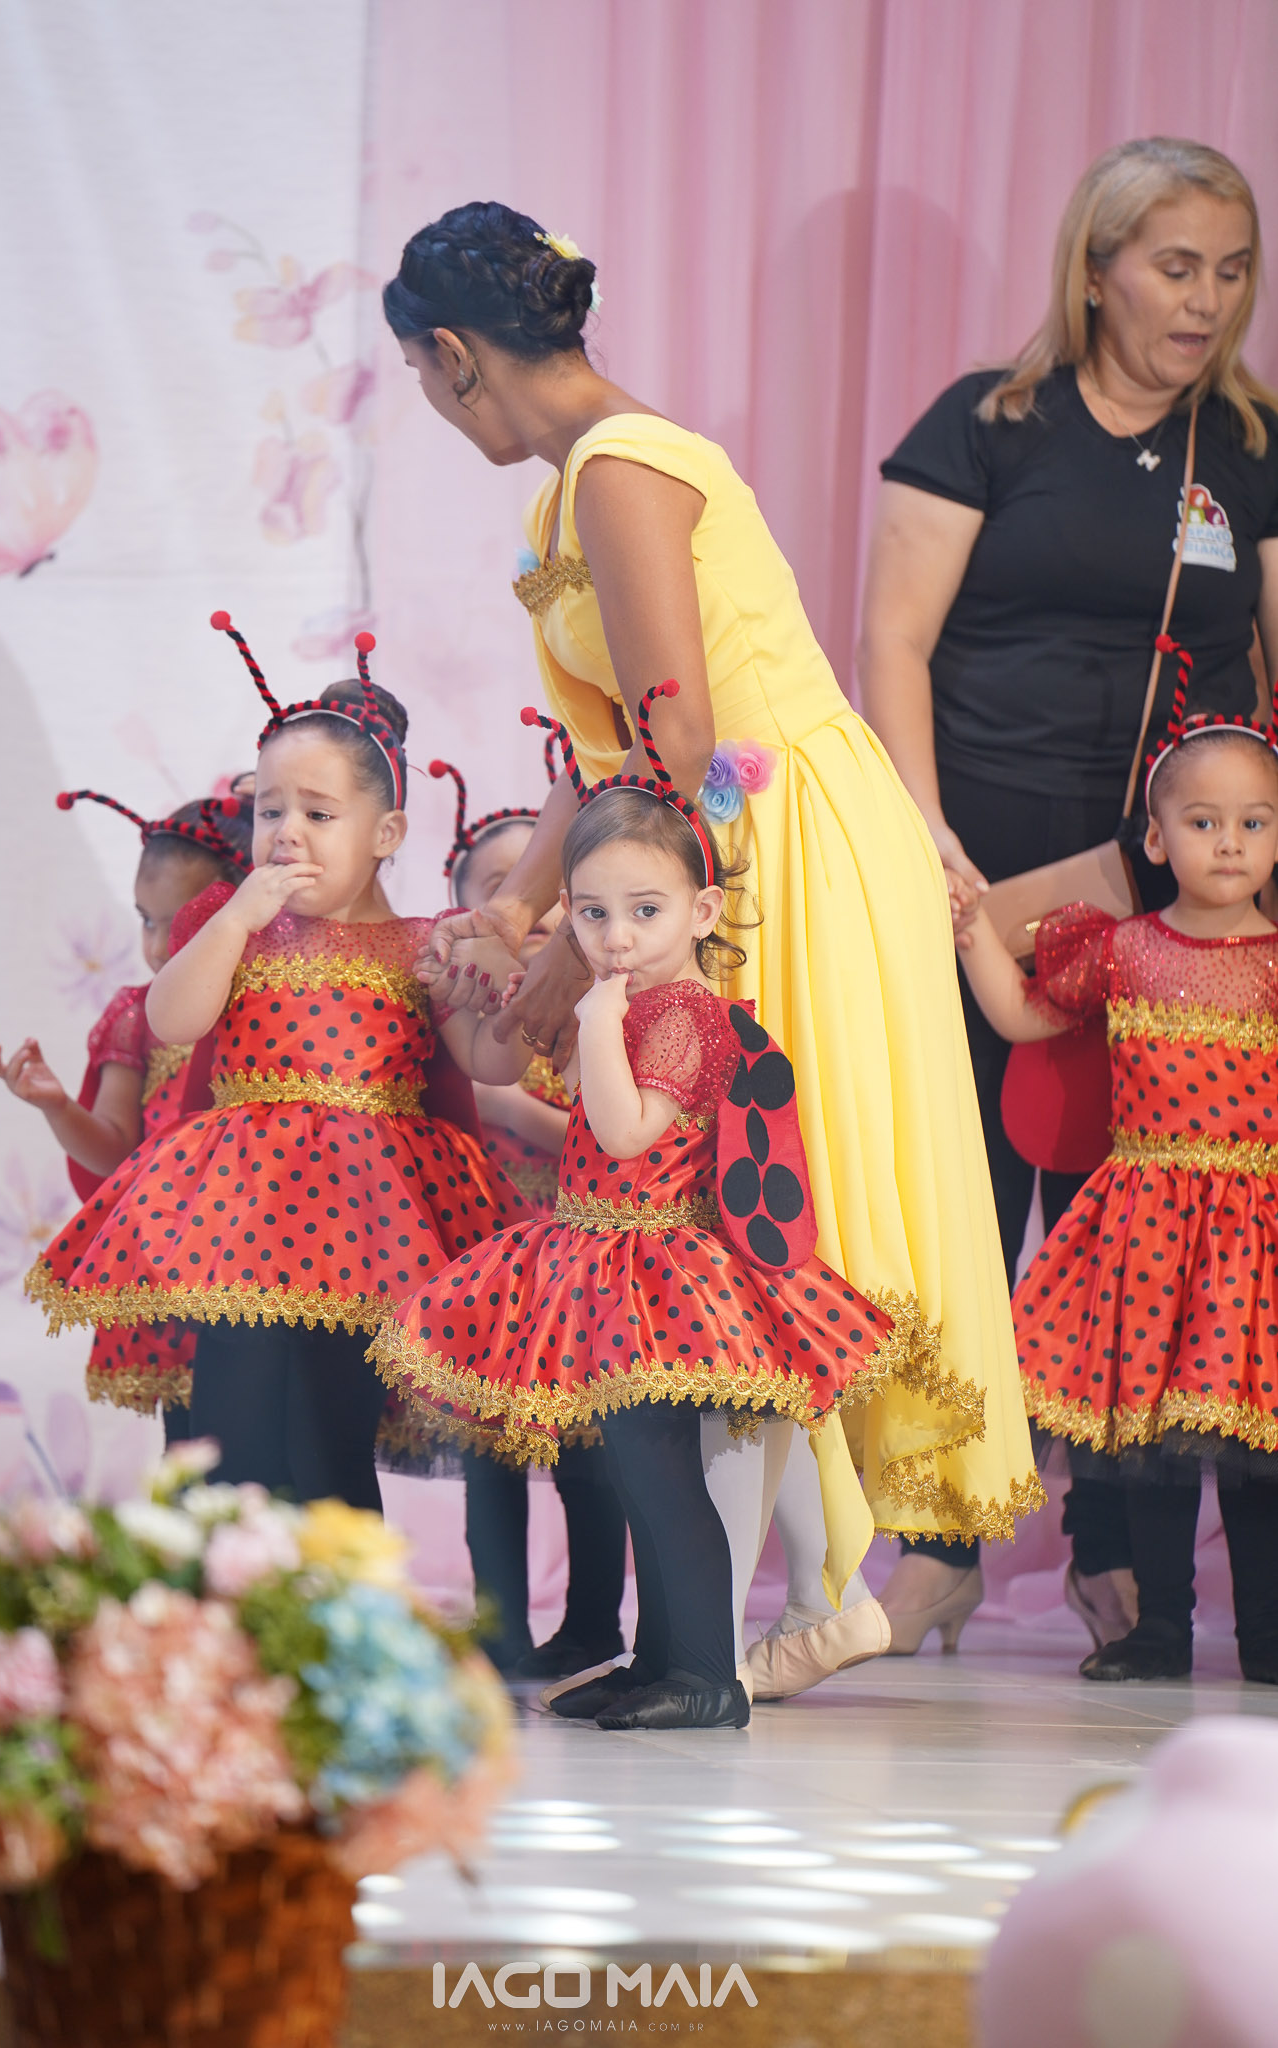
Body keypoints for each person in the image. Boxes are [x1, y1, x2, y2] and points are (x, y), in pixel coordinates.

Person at [384, 202, 1040, 1691]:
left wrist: (579, 958)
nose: (431, 402)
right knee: (709, 1226)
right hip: (704, 830)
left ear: (455, 354)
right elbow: (607, 748)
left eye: (423, 377)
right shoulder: (565, 497)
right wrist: (518, 905)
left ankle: (789, 1606)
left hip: (773, 832)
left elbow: (678, 742)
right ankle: (762, 1613)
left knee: (756, 1217)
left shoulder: (623, 468)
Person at [858, 135, 1278, 1652]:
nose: (1206, 300)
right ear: (1097, 271)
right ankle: (938, 1538)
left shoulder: (1248, 446)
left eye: (1232, 271)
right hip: (986, 866)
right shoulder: (987, 424)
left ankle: (1116, 1549)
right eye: (1175, 267)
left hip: (1178, 901)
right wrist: (927, 835)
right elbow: (893, 642)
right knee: (970, 1198)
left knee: (1141, 1219)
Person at [376, 691, 917, 1732]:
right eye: (591, 914)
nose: (616, 937)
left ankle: (706, 1673)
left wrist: (592, 1016)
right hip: (597, 1256)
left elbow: (625, 1132)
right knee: (636, 1478)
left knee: (664, 1483)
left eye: (644, 911)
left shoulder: (680, 1016)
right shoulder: (633, 1005)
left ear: (702, 913)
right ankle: (658, 1656)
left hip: (660, 1267)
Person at [26, 619, 527, 1508]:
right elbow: (172, 1015)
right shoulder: (232, 926)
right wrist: (234, 919)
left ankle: (333, 1586)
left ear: (386, 831)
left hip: (363, 1220)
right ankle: (233, 1578)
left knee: (331, 1443)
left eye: (318, 814)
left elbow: (488, 1065)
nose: (287, 832)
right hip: (240, 1209)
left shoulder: (423, 944)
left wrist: (508, 994)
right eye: (269, 811)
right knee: (233, 1429)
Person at [956, 665, 1278, 1685]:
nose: (1228, 843)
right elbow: (1020, 1017)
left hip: (1253, 1234)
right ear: (1156, 839)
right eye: (1203, 822)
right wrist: (968, 927)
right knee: (1150, 1442)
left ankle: (1266, 1636)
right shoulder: (1123, 949)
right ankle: (1159, 1629)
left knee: (1254, 1448)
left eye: (1254, 822)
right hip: (1146, 1226)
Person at [432, 753, 629, 1682]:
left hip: (586, 1256)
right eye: (507, 889)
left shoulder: (605, 1001)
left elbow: (607, 1124)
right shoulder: (464, 1004)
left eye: (556, 892)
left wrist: (512, 1109)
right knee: (487, 1445)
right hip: (488, 1254)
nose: (538, 911)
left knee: (590, 1443)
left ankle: (592, 1621)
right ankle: (498, 1621)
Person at [0, 789, 251, 1431]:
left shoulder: (272, 1008)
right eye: (145, 920)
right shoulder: (138, 1016)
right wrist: (57, 1107)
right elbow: (115, 1154)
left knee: (282, 1438)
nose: (158, 946)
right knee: (193, 1446)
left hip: (263, 1255)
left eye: (181, 921)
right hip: (171, 1264)